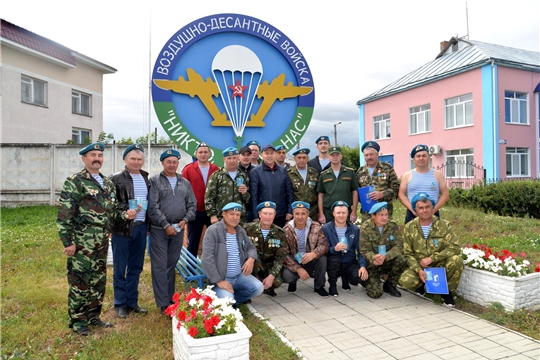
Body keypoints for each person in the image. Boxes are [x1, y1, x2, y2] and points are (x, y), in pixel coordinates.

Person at [57, 142, 138, 336]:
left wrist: (125, 215)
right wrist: (68, 242)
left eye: (100, 155)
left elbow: (110, 213)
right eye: (93, 155)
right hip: (82, 243)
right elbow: (64, 215)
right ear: (84, 158)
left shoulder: (107, 183)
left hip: (101, 242)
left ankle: (93, 317)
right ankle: (77, 321)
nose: (97, 158)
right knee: (80, 282)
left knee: (98, 281)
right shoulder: (75, 181)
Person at [148, 149, 196, 314]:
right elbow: (152, 207)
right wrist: (165, 225)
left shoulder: (185, 183)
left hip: (178, 229)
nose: (172, 164)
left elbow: (192, 205)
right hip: (159, 230)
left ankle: (170, 299)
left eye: (175, 162)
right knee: (160, 266)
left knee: (171, 264)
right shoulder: (155, 181)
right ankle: (163, 304)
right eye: (168, 161)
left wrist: (184, 221)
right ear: (162, 163)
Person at [398, 192, 463, 307]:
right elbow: (407, 254)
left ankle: (446, 292)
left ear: (433, 208)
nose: (424, 210)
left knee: (456, 260)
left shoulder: (443, 225)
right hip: (421, 266)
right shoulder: (409, 227)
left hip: (439, 264)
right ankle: (421, 286)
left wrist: (432, 258)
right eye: (421, 208)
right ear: (415, 211)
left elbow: (455, 248)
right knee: (405, 281)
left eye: (427, 207)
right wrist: (419, 270)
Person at [109, 143, 150, 318]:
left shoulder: (146, 178)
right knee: (120, 267)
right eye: (133, 158)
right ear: (125, 159)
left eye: (139, 159)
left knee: (136, 266)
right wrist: (126, 209)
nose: (136, 162)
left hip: (141, 229)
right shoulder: (115, 179)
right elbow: (110, 203)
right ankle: (120, 303)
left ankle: (132, 301)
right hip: (122, 230)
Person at [201, 203, 264, 306]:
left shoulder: (240, 231)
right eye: (232, 214)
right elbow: (206, 259)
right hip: (221, 278)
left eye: (237, 215)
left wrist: (251, 259)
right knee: (228, 300)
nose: (235, 218)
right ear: (224, 214)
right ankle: (228, 299)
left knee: (258, 288)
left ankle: (234, 300)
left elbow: (251, 247)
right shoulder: (213, 231)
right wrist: (219, 281)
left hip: (239, 276)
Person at [360, 202, 407, 298]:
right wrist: (374, 257)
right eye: (381, 215)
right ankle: (369, 281)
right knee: (375, 294)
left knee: (402, 259)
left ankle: (390, 284)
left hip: (387, 260)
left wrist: (386, 256)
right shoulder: (365, 228)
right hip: (373, 263)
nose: (385, 218)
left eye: (386, 214)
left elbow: (398, 246)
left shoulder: (392, 226)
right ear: (373, 215)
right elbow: (364, 250)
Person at [282, 201, 329, 297]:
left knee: (322, 259)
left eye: (303, 213)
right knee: (287, 277)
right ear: (293, 214)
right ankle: (293, 281)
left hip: (310, 259)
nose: (300, 217)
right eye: (297, 213)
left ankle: (319, 286)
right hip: (294, 261)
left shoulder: (316, 226)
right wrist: (298, 268)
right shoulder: (286, 230)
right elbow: (284, 254)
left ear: (308, 214)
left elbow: (324, 245)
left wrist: (314, 254)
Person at [322, 201, 368, 297]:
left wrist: (363, 266)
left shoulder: (355, 229)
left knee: (360, 277)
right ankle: (332, 285)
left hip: (349, 262)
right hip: (334, 262)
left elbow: (360, 250)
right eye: (338, 213)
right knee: (334, 260)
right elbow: (323, 249)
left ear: (348, 213)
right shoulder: (325, 229)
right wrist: (334, 248)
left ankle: (346, 278)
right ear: (333, 214)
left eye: (344, 212)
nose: (341, 215)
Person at [182, 142, 219, 257]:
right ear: (196, 154)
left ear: (209, 154)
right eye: (200, 152)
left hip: (212, 211)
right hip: (195, 211)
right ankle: (190, 270)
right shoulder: (188, 169)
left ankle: (215, 268)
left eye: (205, 152)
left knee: (216, 241)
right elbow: (183, 191)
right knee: (193, 241)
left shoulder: (216, 169)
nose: (203, 154)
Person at [244, 201, 287, 297]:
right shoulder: (247, 229)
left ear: (274, 215)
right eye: (265, 213)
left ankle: (267, 287)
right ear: (259, 214)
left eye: (270, 214)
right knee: (248, 276)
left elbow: (280, 257)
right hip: (252, 264)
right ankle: (247, 292)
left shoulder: (280, 233)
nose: (267, 217)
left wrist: (271, 276)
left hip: (268, 265)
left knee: (276, 282)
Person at [398, 144, 449, 224]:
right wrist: (412, 209)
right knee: (411, 236)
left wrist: (433, 210)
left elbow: (445, 195)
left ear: (429, 158)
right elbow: (401, 194)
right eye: (418, 156)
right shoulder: (407, 175)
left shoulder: (438, 175)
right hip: (413, 214)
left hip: (433, 214)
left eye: (424, 156)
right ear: (414, 159)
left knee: (434, 236)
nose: (421, 158)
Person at [249, 143, 294, 228]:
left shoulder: (283, 171)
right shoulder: (255, 172)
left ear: (275, 154)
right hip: (263, 215)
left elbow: (289, 192)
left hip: (281, 215)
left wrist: (289, 211)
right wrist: (255, 215)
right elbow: (253, 196)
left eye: (272, 153)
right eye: (267, 153)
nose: (269, 156)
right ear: (262, 155)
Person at [356, 141, 399, 221]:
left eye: (371, 154)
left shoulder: (387, 168)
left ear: (377, 154)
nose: (369, 157)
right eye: (366, 155)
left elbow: (396, 188)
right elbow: (357, 192)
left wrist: (382, 194)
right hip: (367, 214)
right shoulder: (360, 172)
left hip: (385, 212)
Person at [205, 147, 250, 225]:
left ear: (238, 159)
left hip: (239, 218)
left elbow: (248, 200)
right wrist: (212, 215)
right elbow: (209, 198)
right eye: (229, 158)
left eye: (234, 158)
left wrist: (245, 193)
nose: (232, 161)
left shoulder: (243, 176)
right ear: (224, 159)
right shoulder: (217, 176)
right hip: (222, 217)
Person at [317, 146, 359, 224]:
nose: (335, 157)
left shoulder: (350, 172)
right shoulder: (324, 175)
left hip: (345, 210)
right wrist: (321, 214)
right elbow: (320, 195)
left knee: (346, 234)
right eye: (332, 155)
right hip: (328, 212)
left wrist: (354, 212)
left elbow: (355, 192)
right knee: (329, 234)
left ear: (341, 156)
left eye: (337, 155)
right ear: (329, 157)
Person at [287, 148, 319, 221]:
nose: (301, 160)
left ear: (307, 158)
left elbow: (318, 192)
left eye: (304, 157)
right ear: (294, 159)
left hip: (312, 211)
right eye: (299, 157)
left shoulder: (314, 172)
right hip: (296, 211)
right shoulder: (289, 173)